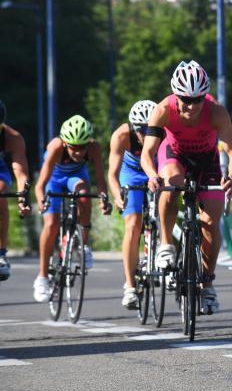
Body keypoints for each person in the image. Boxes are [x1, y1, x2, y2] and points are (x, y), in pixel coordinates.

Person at [141, 61, 232, 314]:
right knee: (170, 182)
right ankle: (166, 244)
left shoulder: (216, 111)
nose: (191, 106)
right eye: (185, 99)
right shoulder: (163, 109)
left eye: (197, 99)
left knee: (211, 222)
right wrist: (153, 175)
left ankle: (207, 282)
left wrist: (230, 175)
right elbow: (147, 153)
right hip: (174, 155)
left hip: (207, 161)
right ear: (176, 95)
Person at [34, 115, 111, 302]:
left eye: (82, 147)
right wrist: (41, 200)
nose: (78, 152)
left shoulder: (94, 148)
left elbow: (100, 179)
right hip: (54, 179)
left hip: (75, 177)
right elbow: (40, 184)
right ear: (66, 143)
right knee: (51, 224)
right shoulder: (56, 147)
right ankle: (42, 278)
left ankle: (83, 245)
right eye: (74, 147)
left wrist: (103, 199)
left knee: (85, 195)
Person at [108, 100, 157, 309]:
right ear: (134, 128)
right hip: (132, 175)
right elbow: (112, 173)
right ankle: (130, 286)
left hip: (154, 172)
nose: (146, 134)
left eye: (150, 129)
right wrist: (118, 195)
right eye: (142, 130)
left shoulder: (162, 132)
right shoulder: (121, 136)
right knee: (133, 224)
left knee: (165, 211)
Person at [0, 99, 32, 280]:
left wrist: (23, 199)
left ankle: (1, 253)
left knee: (0, 194)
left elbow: (21, 174)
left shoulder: (12, 138)